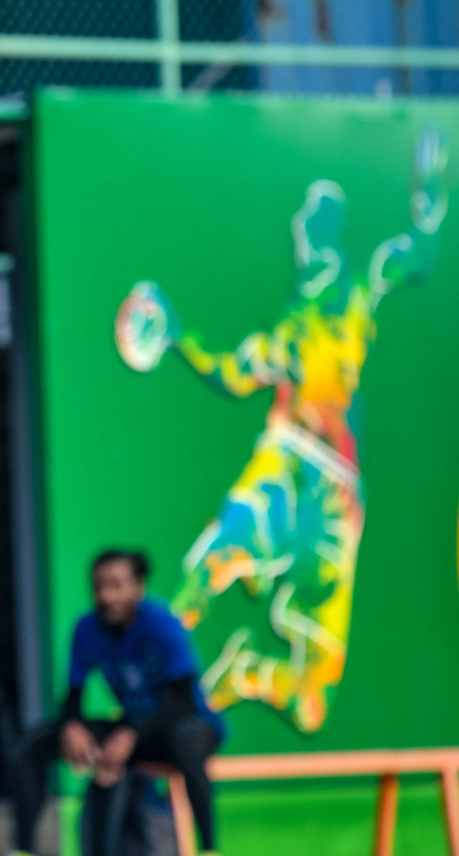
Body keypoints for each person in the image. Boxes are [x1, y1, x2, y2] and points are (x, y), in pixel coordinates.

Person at [115, 133, 448, 733]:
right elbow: (231, 374)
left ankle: (244, 676)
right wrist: (177, 339)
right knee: (205, 568)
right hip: (285, 463)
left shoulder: (356, 295)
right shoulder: (283, 332)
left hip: (338, 493)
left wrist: (432, 196)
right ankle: (149, 696)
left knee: (312, 702)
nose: (306, 241)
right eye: (302, 232)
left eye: (315, 228)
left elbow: (415, 256)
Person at [10, 551, 225, 856]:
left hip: (186, 725)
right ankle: (23, 849)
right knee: (33, 743)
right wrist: (71, 725)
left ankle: (209, 849)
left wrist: (132, 734)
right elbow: (72, 697)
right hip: (134, 728)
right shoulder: (86, 628)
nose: (106, 596)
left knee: (185, 738)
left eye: (116, 585)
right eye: (99, 586)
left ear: (138, 587)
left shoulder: (162, 624)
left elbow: (185, 704)